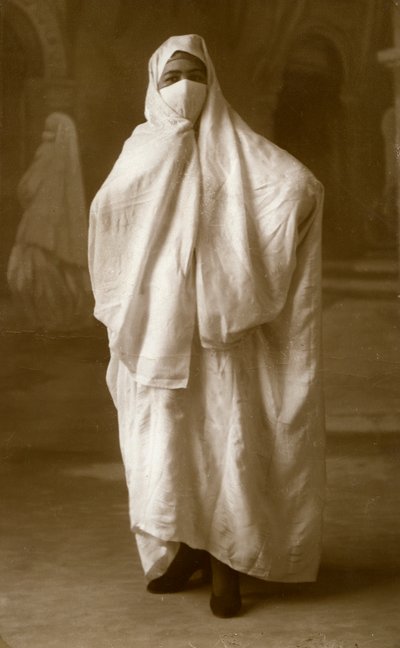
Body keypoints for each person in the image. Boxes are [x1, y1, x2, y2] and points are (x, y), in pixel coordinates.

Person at [89, 34, 325, 618]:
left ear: (212, 82)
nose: (184, 87)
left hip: (223, 336)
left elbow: (296, 188)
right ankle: (189, 548)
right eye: (171, 77)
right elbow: (107, 220)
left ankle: (228, 565)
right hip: (158, 335)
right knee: (170, 445)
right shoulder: (141, 149)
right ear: (154, 85)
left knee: (225, 444)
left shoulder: (239, 148)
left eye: (195, 74)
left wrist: (233, 263)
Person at [7, 112, 93, 331]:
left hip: (38, 224)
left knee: (30, 269)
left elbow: (27, 187)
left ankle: (46, 319)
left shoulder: (46, 153)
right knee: (58, 269)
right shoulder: (67, 160)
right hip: (56, 227)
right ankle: (59, 318)